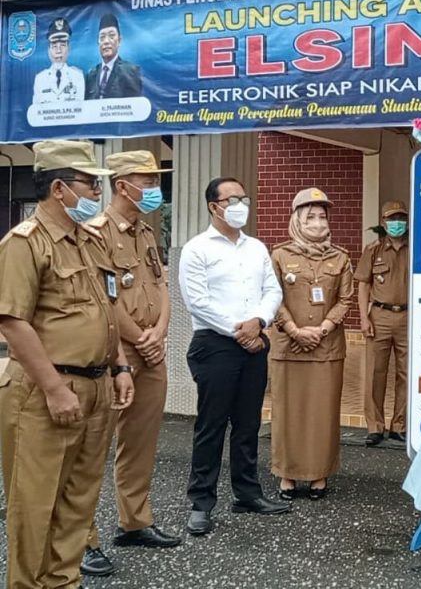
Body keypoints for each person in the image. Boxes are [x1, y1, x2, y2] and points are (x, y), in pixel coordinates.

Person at [0, 139, 135, 589]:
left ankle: (63, 581)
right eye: (90, 186)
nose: (97, 194)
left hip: (96, 386)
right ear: (60, 189)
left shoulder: (89, 240)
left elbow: (104, 308)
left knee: (79, 497)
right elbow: (13, 323)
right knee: (36, 502)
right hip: (47, 389)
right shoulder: (24, 243)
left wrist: (119, 367)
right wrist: (55, 388)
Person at [81, 150, 179, 577]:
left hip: (149, 349)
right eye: (149, 181)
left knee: (140, 443)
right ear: (123, 186)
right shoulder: (95, 233)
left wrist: (157, 333)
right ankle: (81, 540)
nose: (156, 190)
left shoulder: (144, 231)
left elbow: (161, 285)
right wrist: (137, 336)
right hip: (112, 352)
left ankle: (133, 521)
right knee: (91, 447)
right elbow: (102, 297)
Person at [178, 177, 288, 536]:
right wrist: (240, 330)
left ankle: (247, 493)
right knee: (211, 426)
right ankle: (201, 502)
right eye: (232, 199)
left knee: (248, 423)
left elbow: (272, 290)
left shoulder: (256, 247)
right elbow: (198, 301)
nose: (241, 204)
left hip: (254, 342)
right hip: (215, 344)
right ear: (214, 206)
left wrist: (259, 322)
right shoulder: (196, 249)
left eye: (245, 197)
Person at [269, 188, 353, 501]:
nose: (318, 223)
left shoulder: (340, 257)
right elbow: (272, 296)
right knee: (288, 411)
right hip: (288, 348)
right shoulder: (279, 255)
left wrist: (323, 327)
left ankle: (319, 474)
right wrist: (293, 329)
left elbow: (345, 299)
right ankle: (287, 474)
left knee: (322, 412)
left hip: (327, 348)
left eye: (322, 216)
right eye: (311, 217)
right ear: (297, 220)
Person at [356, 200, 410, 447]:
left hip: (409, 317)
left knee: (406, 373)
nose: (397, 223)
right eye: (392, 219)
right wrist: (364, 318)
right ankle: (375, 427)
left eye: (401, 218)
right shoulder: (374, 249)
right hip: (379, 316)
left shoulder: (417, 247)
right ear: (384, 222)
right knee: (375, 373)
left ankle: (400, 425)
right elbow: (364, 284)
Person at [85, 13, 142, 99]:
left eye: (111, 36)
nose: (106, 41)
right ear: (98, 42)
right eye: (102, 37)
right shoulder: (91, 75)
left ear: (119, 41)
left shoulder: (130, 71)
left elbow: (134, 107)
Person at [33, 17, 85, 103]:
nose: (58, 51)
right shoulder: (40, 79)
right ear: (48, 50)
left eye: (63, 45)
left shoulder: (77, 76)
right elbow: (36, 112)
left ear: (69, 48)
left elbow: (81, 110)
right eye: (54, 46)